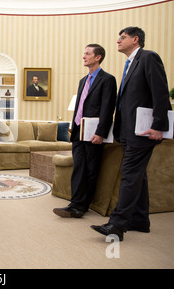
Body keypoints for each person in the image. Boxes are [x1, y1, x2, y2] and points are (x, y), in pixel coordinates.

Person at [91, 27, 174, 241]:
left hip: (144, 131)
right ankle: (140, 220)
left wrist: (159, 125)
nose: (118, 41)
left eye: (123, 37)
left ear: (135, 39)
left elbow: (160, 91)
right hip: (129, 131)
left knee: (129, 175)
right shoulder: (129, 64)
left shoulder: (148, 58)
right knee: (138, 176)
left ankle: (117, 225)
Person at [53, 44, 116, 218]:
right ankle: (75, 203)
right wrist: (74, 125)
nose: (84, 56)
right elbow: (81, 105)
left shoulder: (108, 80)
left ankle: (82, 206)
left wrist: (101, 132)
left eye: (87, 54)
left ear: (98, 57)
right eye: (84, 53)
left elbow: (107, 108)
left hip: (94, 132)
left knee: (90, 168)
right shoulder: (83, 81)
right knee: (78, 167)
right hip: (79, 130)